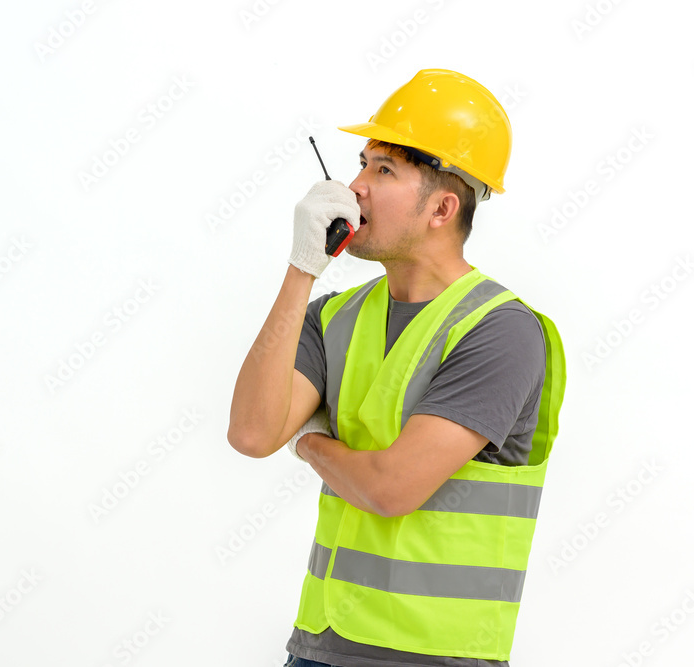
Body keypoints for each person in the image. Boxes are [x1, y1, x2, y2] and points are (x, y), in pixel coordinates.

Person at [226, 69, 567, 666]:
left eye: (383, 171)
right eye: (360, 163)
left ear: (442, 208)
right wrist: (304, 265)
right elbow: (253, 434)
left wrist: (308, 442)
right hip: (319, 646)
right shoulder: (335, 316)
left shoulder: (500, 330)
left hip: (434, 656)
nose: (353, 186)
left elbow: (391, 489)